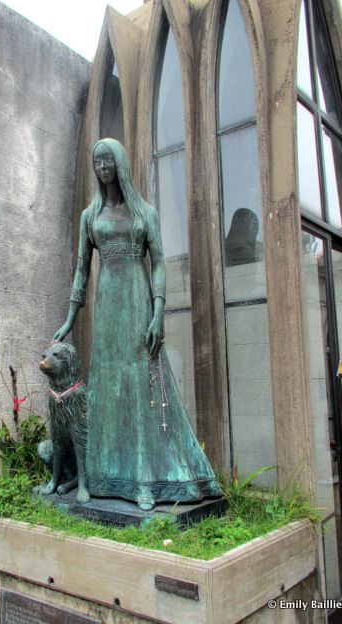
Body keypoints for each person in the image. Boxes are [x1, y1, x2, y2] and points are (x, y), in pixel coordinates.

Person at [54, 138, 221, 510]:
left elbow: (159, 262)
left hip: (139, 300)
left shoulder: (146, 212)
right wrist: (69, 319)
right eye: (96, 162)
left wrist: (159, 311)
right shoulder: (89, 216)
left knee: (144, 384)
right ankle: (103, 475)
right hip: (108, 306)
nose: (102, 168)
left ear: (120, 164)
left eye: (107, 161)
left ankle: (146, 477)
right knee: (110, 385)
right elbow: (82, 270)